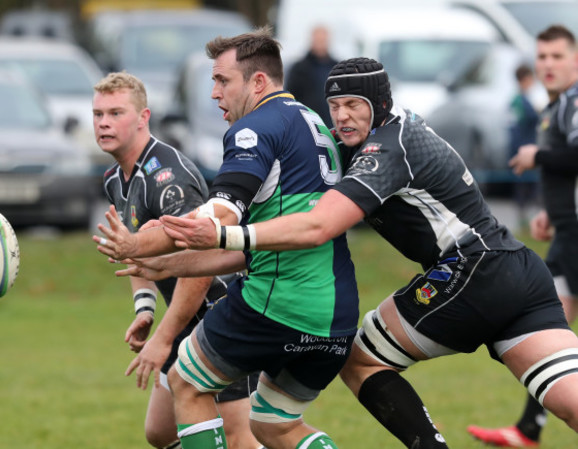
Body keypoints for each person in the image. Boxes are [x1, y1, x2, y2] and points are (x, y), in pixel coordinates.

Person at [147, 56, 578, 449]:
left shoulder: (386, 147)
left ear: (379, 102)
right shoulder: (393, 130)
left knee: (359, 360)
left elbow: (319, 226)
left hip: (471, 271)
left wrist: (225, 234)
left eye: (353, 104)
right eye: (334, 106)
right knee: (568, 400)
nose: (342, 116)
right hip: (519, 267)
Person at [94, 28, 360, 449]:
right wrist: (159, 265)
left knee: (185, 380)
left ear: (257, 82)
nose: (214, 92)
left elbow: (218, 217)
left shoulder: (255, 129)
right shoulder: (312, 123)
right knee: (275, 425)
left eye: (222, 80)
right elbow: (242, 247)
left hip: (277, 304)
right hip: (337, 312)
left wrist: (140, 244)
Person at [91, 71, 260, 449]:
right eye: (98, 114)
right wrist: (145, 309)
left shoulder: (166, 179)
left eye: (116, 113)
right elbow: (133, 248)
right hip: (182, 318)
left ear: (142, 117)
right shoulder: (115, 179)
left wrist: (163, 339)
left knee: (238, 437)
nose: (104, 122)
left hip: (221, 314)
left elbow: (201, 261)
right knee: (161, 432)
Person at [467, 24, 578, 448]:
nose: (547, 64)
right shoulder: (557, 105)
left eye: (556, 56)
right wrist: (555, 210)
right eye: (542, 56)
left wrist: (538, 155)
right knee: (551, 331)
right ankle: (529, 429)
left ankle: (529, 429)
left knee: (549, 329)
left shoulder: (573, 102)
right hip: (567, 233)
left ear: (575, 60)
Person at [285, 25, 338, 128]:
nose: (321, 44)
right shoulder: (299, 68)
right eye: (318, 40)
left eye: (323, 40)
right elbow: (290, 98)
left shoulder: (336, 67)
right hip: (306, 124)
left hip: (331, 124)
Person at [508, 63, 540, 223]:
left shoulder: (517, 100)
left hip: (522, 147)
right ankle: (525, 219)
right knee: (525, 184)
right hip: (524, 148)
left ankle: (526, 219)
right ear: (526, 79)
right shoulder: (520, 102)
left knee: (527, 184)